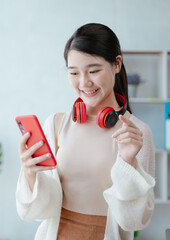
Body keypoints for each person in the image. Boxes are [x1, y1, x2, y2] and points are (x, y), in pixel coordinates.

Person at [16, 23, 155, 240]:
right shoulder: (55, 124)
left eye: (93, 71)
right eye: (74, 72)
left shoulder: (137, 133)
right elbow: (35, 212)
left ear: (116, 64)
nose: (84, 82)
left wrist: (129, 163)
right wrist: (29, 172)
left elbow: (135, 221)